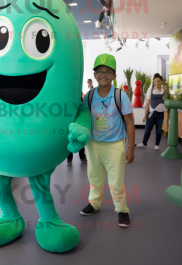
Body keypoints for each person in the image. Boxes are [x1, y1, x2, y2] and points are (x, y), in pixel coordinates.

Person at [81, 53, 135, 228]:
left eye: (108, 71)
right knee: (94, 178)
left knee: (116, 181)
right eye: (99, 71)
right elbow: (84, 119)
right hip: (93, 144)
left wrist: (131, 148)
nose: (103, 74)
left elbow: (130, 123)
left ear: (114, 75)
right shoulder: (89, 96)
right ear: (94, 74)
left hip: (115, 144)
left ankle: (122, 210)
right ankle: (94, 203)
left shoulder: (120, 95)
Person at [137, 73, 165, 150]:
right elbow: (147, 104)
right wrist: (145, 116)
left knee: (159, 130)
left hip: (160, 114)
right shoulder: (151, 90)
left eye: (158, 81)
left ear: (161, 81)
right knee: (147, 129)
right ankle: (143, 143)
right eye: (155, 81)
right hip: (151, 113)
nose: (156, 83)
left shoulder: (164, 91)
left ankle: (157, 145)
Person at [67, 92, 87, 165]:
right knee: (69, 139)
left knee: (80, 138)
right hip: (69, 121)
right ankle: (69, 159)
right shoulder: (68, 97)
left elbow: (82, 108)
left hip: (78, 120)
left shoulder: (79, 96)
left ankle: (82, 157)